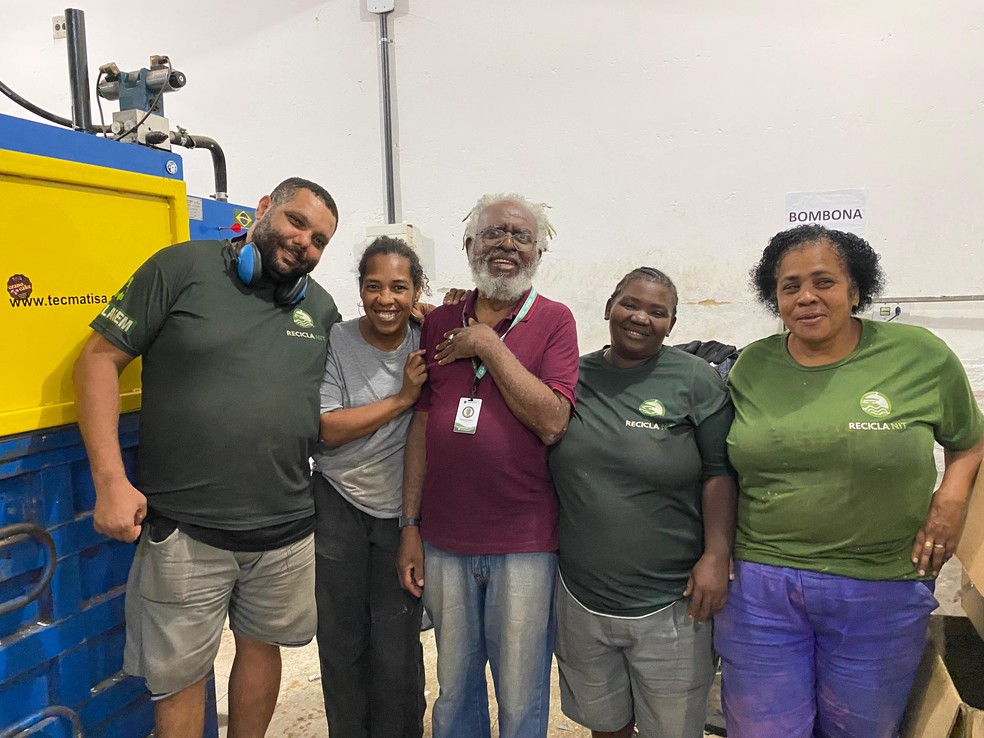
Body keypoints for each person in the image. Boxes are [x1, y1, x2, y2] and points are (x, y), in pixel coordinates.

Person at [72, 177, 341, 738]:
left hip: (285, 528)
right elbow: (98, 359)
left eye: (319, 240)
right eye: (296, 221)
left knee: (263, 650)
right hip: (187, 532)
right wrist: (110, 482)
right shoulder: (180, 268)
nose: (304, 243)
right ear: (263, 209)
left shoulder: (318, 307)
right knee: (179, 676)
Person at [715, 224, 984, 738]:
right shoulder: (753, 365)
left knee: (858, 730)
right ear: (774, 298)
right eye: (789, 286)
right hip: (761, 586)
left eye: (824, 281)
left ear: (855, 289)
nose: (806, 297)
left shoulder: (919, 356)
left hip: (881, 585)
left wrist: (951, 497)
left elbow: (970, 440)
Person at [397, 193, 579, 738]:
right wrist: (409, 526)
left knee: (522, 694)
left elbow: (552, 421)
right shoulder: (439, 322)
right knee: (454, 692)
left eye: (522, 236)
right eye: (494, 233)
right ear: (468, 245)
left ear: (538, 250)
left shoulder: (554, 321)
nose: (507, 244)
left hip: (524, 542)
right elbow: (423, 426)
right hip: (444, 539)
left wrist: (486, 346)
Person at [548, 267, 736, 738]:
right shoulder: (573, 376)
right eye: (630, 304)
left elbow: (721, 473)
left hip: (672, 603)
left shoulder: (694, 380)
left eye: (658, 311)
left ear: (672, 324)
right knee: (605, 725)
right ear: (609, 306)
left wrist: (717, 555)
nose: (641, 318)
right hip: (581, 597)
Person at [312, 236, 428, 738]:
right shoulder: (337, 339)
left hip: (403, 511)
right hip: (336, 502)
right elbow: (327, 427)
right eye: (374, 286)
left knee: (398, 640)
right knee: (340, 640)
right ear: (359, 289)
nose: (387, 299)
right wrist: (403, 398)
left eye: (399, 288)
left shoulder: (428, 337)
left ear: (416, 290)